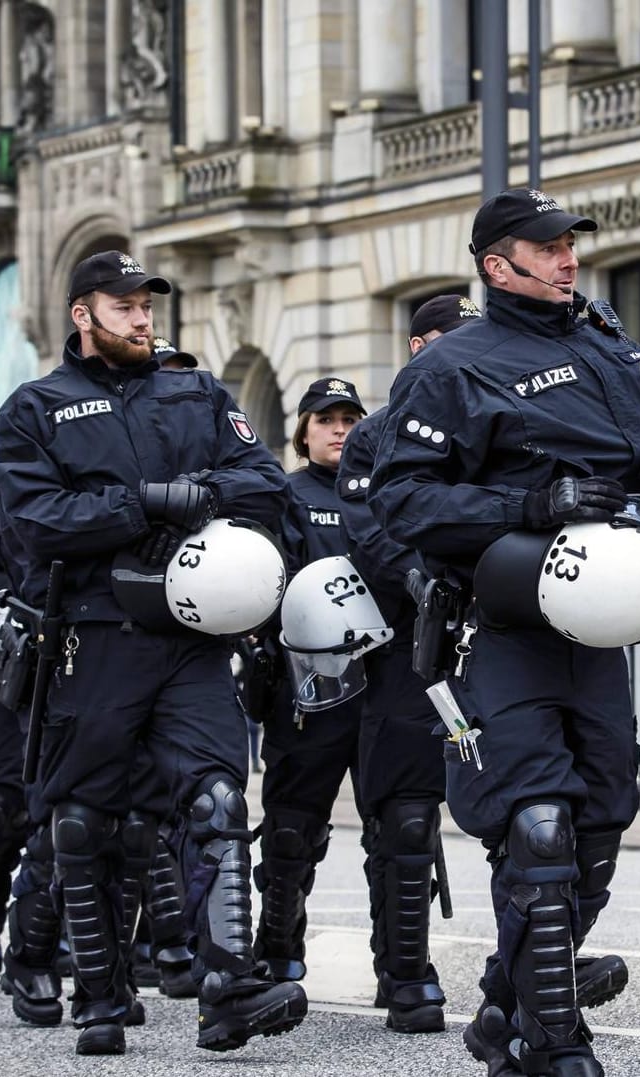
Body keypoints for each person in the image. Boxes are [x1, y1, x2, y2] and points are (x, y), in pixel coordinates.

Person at [369, 188, 640, 1077]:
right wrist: (527, 503)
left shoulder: (614, 352)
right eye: (547, 246)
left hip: (598, 627)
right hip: (500, 626)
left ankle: (502, 1004)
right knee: (539, 826)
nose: (566, 259)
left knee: (598, 822)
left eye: (569, 244)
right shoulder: (452, 367)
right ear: (496, 263)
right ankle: (551, 1039)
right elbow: (402, 498)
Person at [0, 250, 305, 1056]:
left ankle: (228, 985)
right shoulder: (35, 407)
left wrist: (199, 489)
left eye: (147, 304)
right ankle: (98, 997)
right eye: (123, 305)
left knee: (218, 801)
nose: (141, 317)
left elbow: (264, 482)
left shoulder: (193, 392)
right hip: (89, 639)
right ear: (81, 314)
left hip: (190, 636)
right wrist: (142, 503)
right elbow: (35, 521)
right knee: (85, 822)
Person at [329, 294, 479, 1034]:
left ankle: (540, 963)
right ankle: (407, 970)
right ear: (422, 348)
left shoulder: (501, 418)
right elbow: (369, 529)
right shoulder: (377, 434)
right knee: (407, 818)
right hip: (410, 646)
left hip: (500, 637)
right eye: (456, 338)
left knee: (539, 813)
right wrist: (422, 579)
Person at [253, 375, 370, 987]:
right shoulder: (285, 495)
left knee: (401, 830)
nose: (340, 429)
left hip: (382, 687)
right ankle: (276, 943)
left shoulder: (386, 493)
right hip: (308, 690)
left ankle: (401, 966)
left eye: (350, 419)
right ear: (303, 431)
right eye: (326, 420)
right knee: (293, 824)